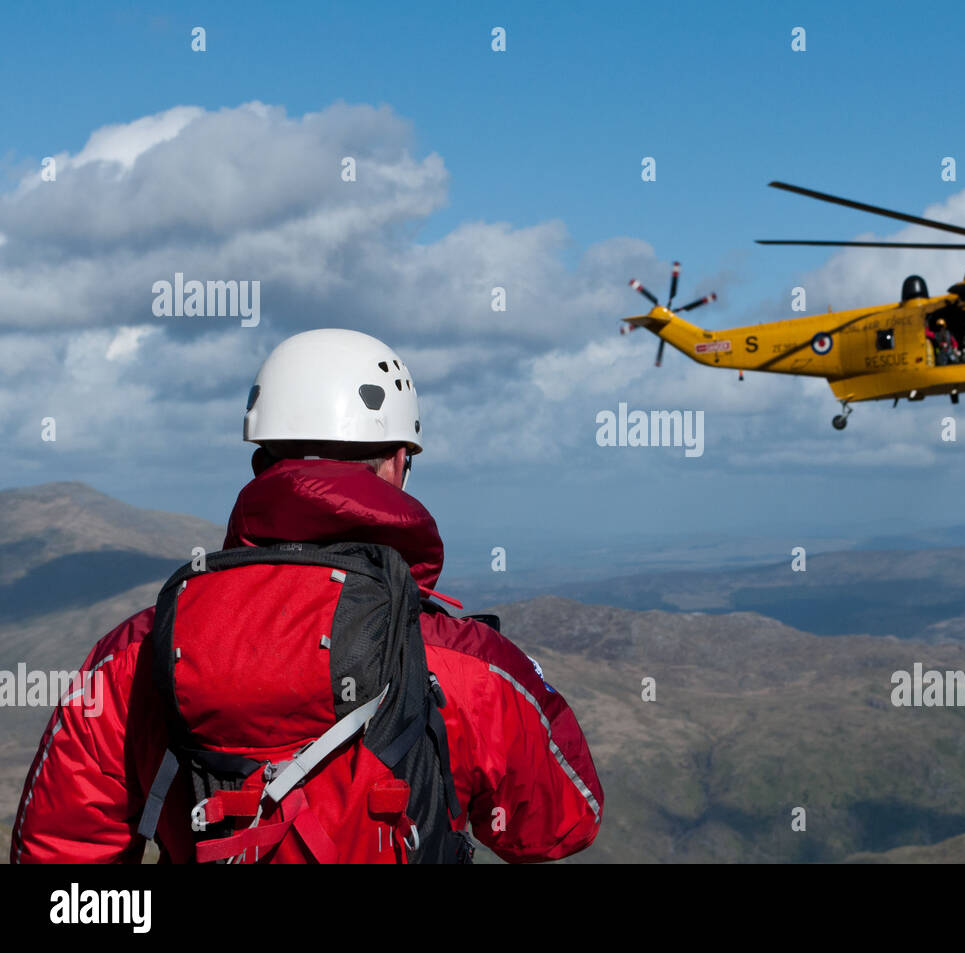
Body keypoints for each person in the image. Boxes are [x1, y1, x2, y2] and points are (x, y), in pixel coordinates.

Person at [10, 329, 603, 864]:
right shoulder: (466, 661)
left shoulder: (132, 656)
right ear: (398, 462)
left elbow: (58, 857)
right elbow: (561, 824)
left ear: (261, 464)